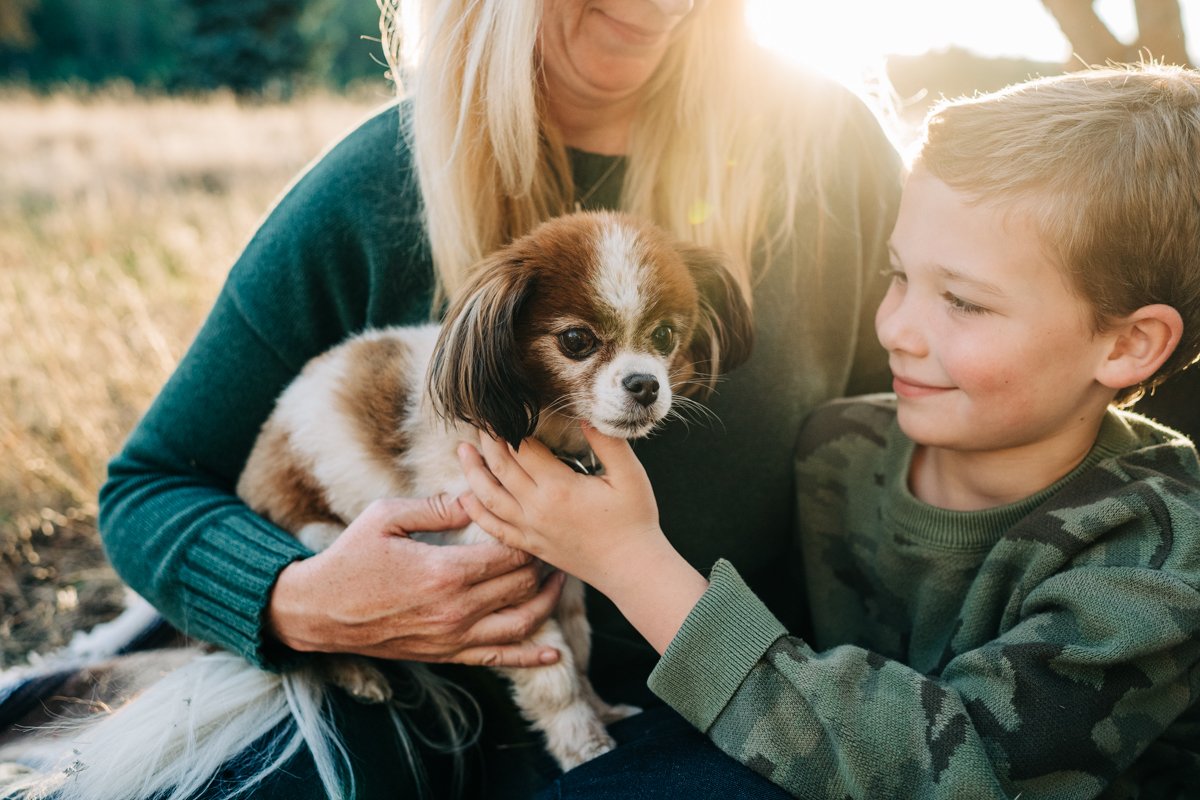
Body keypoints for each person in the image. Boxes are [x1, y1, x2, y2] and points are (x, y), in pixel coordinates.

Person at [89, 0, 903, 796]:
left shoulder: (828, 152)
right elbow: (147, 488)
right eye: (580, 341)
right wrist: (298, 599)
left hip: (729, 706)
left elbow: (921, 442)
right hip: (398, 699)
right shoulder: (367, 188)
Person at [457, 63, 1200, 799]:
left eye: (964, 302)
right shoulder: (836, 450)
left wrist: (630, 561)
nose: (896, 329)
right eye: (898, 275)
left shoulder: (1156, 555)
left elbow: (957, 773)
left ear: (1127, 345)